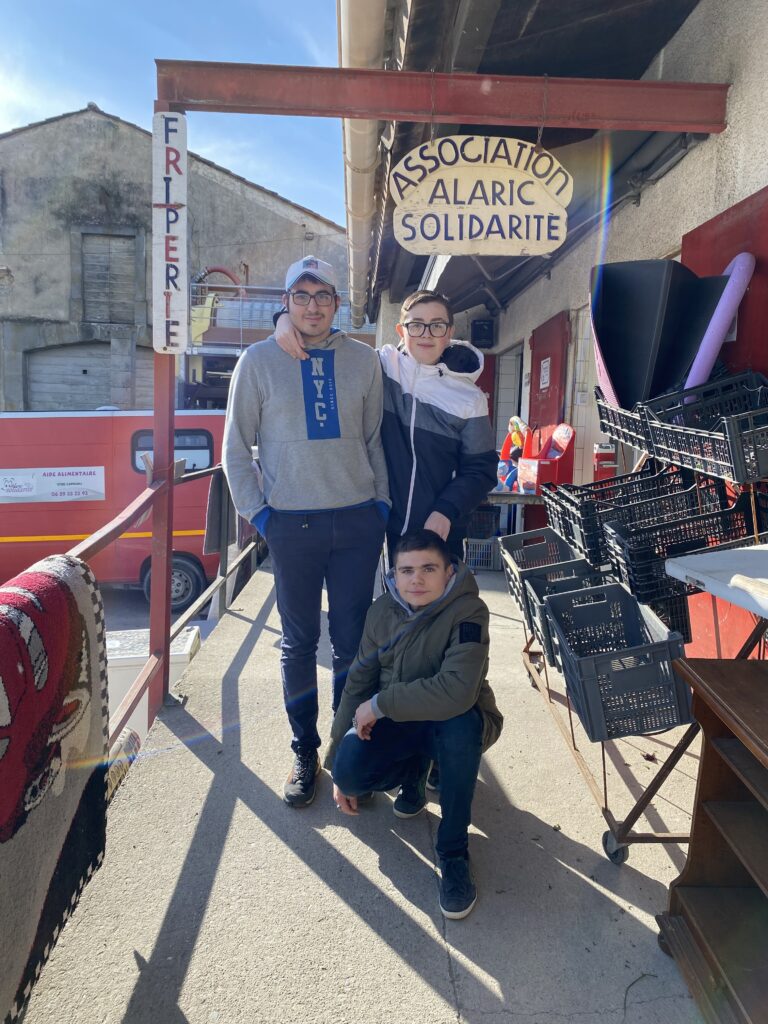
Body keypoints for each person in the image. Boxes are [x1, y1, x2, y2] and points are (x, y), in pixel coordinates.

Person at [223, 255, 390, 808]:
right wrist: (261, 515)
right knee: (297, 644)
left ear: (337, 304)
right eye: (302, 296)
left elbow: (374, 440)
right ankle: (303, 749)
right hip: (291, 524)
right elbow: (234, 450)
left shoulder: (364, 361)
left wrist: (382, 506)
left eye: (323, 296)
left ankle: (348, 750)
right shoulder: (258, 360)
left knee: (351, 643)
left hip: (358, 522)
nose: (313, 306)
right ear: (287, 302)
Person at [324, 529, 503, 920]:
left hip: (453, 722)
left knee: (460, 727)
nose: (416, 579)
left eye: (428, 569)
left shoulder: (469, 611)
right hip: (400, 723)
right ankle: (414, 775)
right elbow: (358, 681)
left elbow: (457, 691)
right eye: (405, 570)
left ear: (448, 572)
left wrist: (380, 703)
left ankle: (453, 851)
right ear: (393, 575)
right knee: (350, 770)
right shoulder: (380, 611)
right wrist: (336, 758)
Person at [275, 290, 498, 561]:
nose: (426, 334)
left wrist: (446, 510)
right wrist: (283, 319)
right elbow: (328, 341)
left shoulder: (469, 397)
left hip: (439, 529)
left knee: (438, 603)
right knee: (388, 601)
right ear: (400, 330)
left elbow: (481, 469)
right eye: (415, 325)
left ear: (449, 331)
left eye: (436, 325)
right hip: (378, 523)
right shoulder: (378, 365)